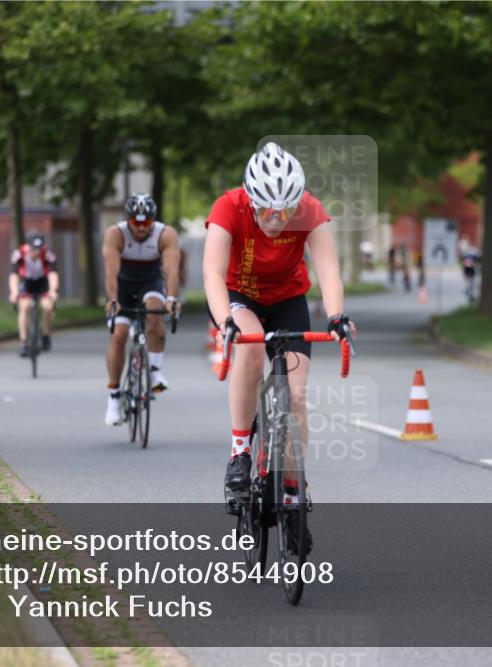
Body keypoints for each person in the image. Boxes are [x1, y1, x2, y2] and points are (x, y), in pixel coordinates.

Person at [203, 142, 354, 546]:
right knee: (251, 349)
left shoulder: (309, 211)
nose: (277, 218)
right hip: (239, 296)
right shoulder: (228, 207)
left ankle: (292, 487)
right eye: (268, 210)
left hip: (288, 300)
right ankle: (240, 452)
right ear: (251, 200)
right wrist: (225, 324)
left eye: (285, 210)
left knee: (298, 397)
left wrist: (336, 317)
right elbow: (212, 276)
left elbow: (329, 271)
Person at [102, 193, 181, 426]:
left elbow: (172, 269)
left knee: (155, 313)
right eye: (135, 223)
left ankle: (155, 370)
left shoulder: (165, 234)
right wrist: (113, 300)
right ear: (127, 220)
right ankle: (114, 395)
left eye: (145, 223)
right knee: (119, 336)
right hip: (123, 285)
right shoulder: (115, 234)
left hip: (150, 281)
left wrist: (173, 297)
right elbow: (111, 272)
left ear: (153, 221)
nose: (140, 228)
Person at [9, 231, 59, 357]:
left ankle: (46, 335)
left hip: (43, 282)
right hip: (27, 283)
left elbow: (53, 274)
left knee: (47, 307)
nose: (36, 252)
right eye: (33, 249)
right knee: (24, 307)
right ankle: (24, 342)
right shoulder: (19, 254)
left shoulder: (47, 254)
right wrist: (14, 292)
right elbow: (14, 275)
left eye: (39, 249)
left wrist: (53, 290)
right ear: (28, 246)